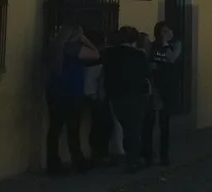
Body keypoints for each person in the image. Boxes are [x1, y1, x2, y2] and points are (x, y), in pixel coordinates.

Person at [46, 24, 99, 175]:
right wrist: (85, 40)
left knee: (54, 129)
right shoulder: (75, 48)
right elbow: (96, 54)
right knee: (73, 130)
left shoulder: (54, 48)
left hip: (54, 92)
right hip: (72, 93)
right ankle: (79, 162)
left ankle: (53, 164)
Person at [103, 27, 153, 171]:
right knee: (134, 129)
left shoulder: (109, 53)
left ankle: (130, 158)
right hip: (137, 96)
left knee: (125, 127)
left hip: (116, 96)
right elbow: (147, 74)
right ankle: (133, 160)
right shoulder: (139, 54)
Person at [143, 22, 182, 166]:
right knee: (149, 122)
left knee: (164, 124)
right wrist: (149, 66)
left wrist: (165, 43)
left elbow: (172, 58)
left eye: (168, 30)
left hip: (168, 87)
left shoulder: (175, 45)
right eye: (163, 31)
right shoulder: (151, 46)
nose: (165, 33)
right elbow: (145, 60)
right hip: (154, 87)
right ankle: (148, 155)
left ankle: (164, 156)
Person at [83, 30, 114, 166]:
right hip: (97, 96)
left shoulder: (89, 57)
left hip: (93, 95)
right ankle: (100, 155)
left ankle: (99, 154)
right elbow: (96, 79)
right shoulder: (98, 58)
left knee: (100, 125)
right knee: (102, 125)